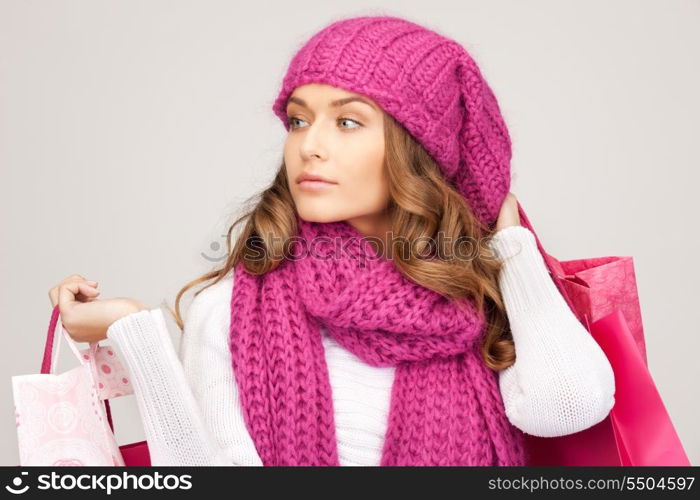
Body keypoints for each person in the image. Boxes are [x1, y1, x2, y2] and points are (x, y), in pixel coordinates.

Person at [48, 15, 615, 466]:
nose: (309, 147)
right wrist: (133, 331)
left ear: (418, 149)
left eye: (347, 122)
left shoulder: (477, 296)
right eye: (298, 120)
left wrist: (508, 242)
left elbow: (567, 406)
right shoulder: (230, 308)